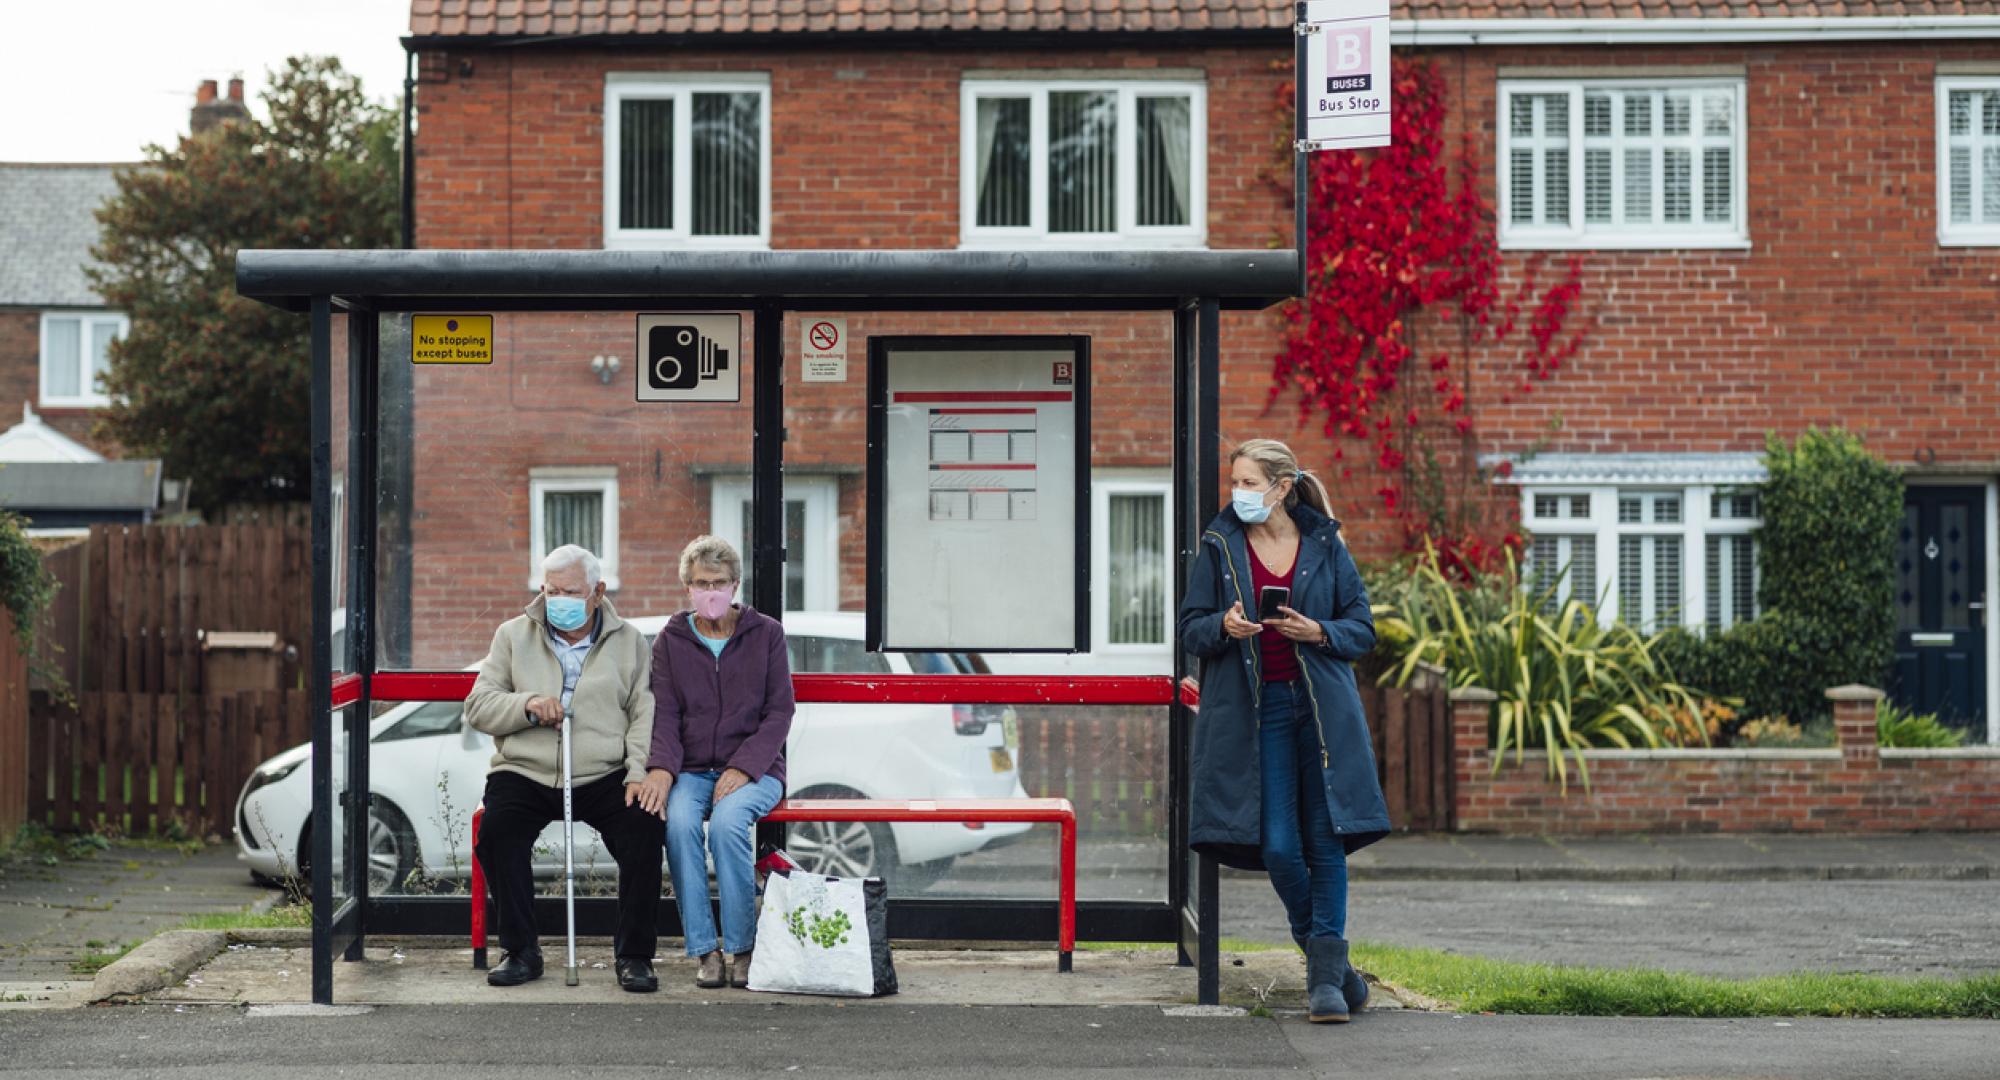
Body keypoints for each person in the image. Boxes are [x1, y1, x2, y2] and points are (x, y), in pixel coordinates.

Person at [1177, 438, 1389, 1024]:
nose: (1238, 494)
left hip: (1321, 711)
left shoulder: (1324, 543)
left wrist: (1317, 631)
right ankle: (1337, 971)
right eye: (1235, 483)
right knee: (1277, 844)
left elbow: (1362, 629)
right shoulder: (1220, 546)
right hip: (1256, 712)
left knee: (1325, 842)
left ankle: (1323, 985)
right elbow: (1190, 629)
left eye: (1249, 483)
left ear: (1282, 487)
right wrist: (1222, 623)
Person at [464, 544, 663, 992]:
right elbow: (478, 705)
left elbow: (642, 712)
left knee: (644, 829)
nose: (559, 601)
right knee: (498, 833)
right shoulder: (513, 635)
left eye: (570, 592)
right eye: (551, 591)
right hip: (526, 769)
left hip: (603, 771)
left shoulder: (630, 641)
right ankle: (520, 950)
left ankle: (634, 955)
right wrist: (528, 706)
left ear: (597, 592)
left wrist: (637, 771)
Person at [635, 535, 794, 989]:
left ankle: (743, 948)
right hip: (690, 769)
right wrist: (662, 769)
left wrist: (744, 767)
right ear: (687, 586)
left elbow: (780, 711)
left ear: (735, 584)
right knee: (679, 824)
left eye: (719, 582)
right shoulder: (671, 641)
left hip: (756, 770)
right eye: (701, 582)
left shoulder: (767, 634)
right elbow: (664, 712)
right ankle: (705, 949)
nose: (711, 591)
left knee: (727, 826)